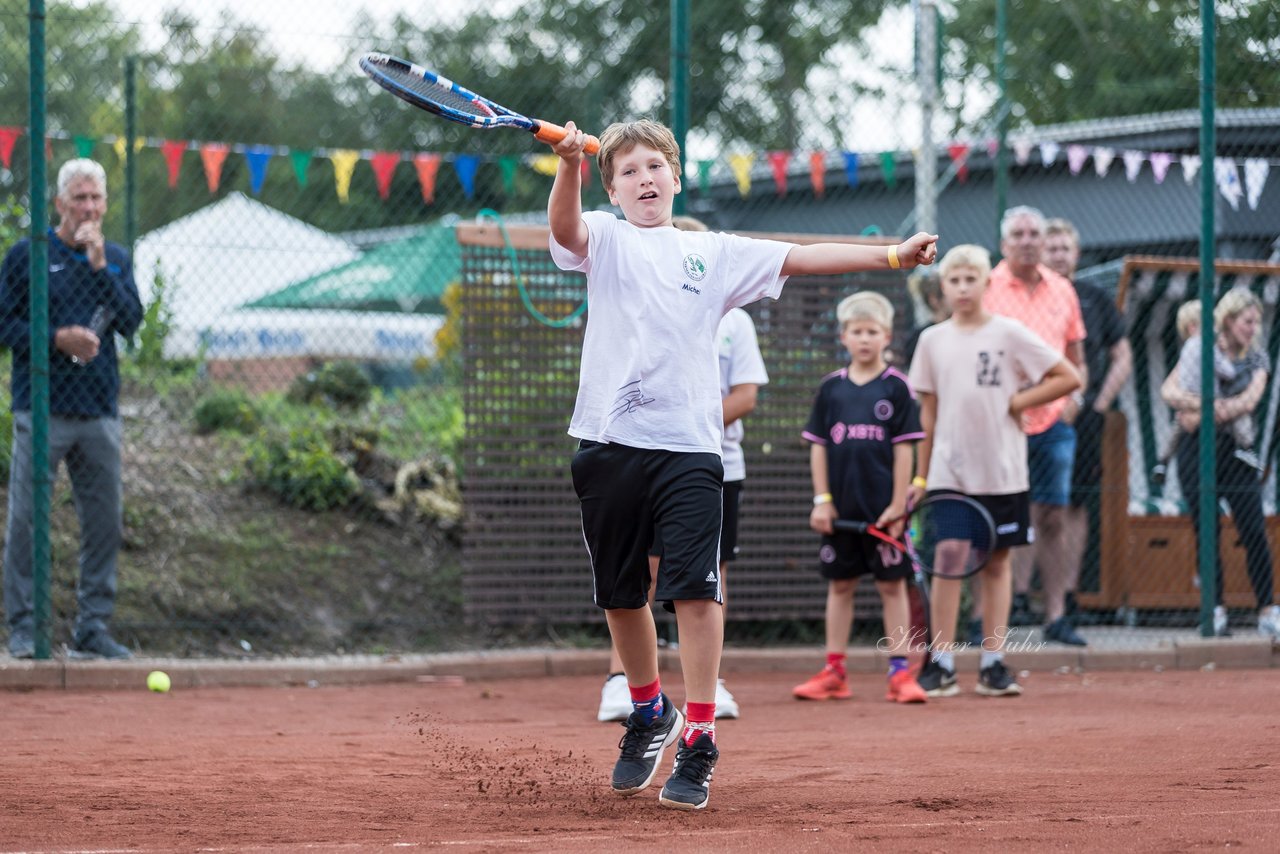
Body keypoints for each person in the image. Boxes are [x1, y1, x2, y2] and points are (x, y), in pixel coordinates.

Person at [546, 118, 937, 810]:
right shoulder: (602, 239)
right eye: (628, 170)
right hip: (607, 445)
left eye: (655, 166)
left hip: (694, 450)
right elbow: (569, 231)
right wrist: (570, 164)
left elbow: (802, 255)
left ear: (674, 176)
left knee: (696, 590)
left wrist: (893, 257)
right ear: (612, 187)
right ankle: (646, 710)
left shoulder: (714, 254)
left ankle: (698, 736)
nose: (644, 179)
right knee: (621, 594)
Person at [596, 214, 765, 723]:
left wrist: (697, 421)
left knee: (706, 580)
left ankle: (705, 696)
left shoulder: (735, 316)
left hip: (710, 461)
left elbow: (746, 394)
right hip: (645, 455)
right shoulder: (632, 298)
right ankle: (622, 682)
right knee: (637, 576)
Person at [909, 244, 1080, 697]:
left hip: (1003, 470)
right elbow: (926, 415)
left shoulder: (1009, 333)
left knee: (998, 562)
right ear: (942, 287)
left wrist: (1019, 402)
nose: (963, 288)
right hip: (950, 471)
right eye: (954, 280)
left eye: (971, 280)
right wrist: (920, 478)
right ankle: (940, 662)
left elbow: (1068, 376)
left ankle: (993, 663)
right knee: (947, 557)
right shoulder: (931, 340)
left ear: (987, 284)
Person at [1, 158, 143, 660]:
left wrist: (101, 266)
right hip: (40, 409)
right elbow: (4, 327)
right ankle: (24, 627)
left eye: (95, 198)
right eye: (78, 198)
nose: (87, 207)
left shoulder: (117, 259)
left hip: (99, 412)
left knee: (104, 522)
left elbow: (130, 321)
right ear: (59, 203)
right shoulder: (27, 256)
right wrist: (56, 339)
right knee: (27, 519)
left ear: (105, 204)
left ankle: (92, 628)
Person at [791, 291, 927, 705]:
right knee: (841, 586)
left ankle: (900, 674)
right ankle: (835, 671)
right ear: (843, 337)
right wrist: (822, 499)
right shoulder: (831, 389)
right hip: (842, 513)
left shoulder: (899, 388)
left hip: (885, 514)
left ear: (886, 336)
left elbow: (905, 448)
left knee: (892, 588)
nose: (864, 339)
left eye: (872, 331)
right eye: (856, 331)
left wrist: (898, 507)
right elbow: (818, 446)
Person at [983, 206, 1088, 643]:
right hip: (999, 419)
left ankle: (1056, 616)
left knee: (1052, 516)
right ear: (1005, 243)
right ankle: (984, 622)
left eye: (1034, 234)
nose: (1027, 240)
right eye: (1019, 234)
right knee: (989, 514)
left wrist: (1074, 400)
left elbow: (1077, 359)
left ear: (1044, 242)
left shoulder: (1063, 290)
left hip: (1054, 421)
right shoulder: (987, 286)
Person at [1161, 288, 1278, 639]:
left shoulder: (1256, 358)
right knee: (1206, 527)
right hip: (1196, 449)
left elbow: (1249, 401)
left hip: (1235, 451)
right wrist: (1213, 407)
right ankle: (1215, 610)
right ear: (1228, 320)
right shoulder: (1200, 349)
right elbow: (1168, 392)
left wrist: (1201, 409)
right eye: (1247, 321)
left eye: (1256, 322)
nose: (1253, 328)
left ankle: (1267, 610)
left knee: (1253, 528)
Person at [1044, 218, 1131, 643]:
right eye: (1052, 247)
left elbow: (1122, 356)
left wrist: (1097, 403)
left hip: (1084, 418)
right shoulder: (1030, 297)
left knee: (1075, 506)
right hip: (1034, 415)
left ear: (1077, 253)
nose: (1059, 254)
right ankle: (1022, 597)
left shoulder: (1096, 298)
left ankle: (1068, 596)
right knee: (1029, 504)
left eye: (1065, 247)